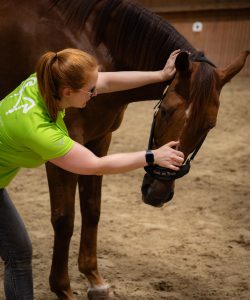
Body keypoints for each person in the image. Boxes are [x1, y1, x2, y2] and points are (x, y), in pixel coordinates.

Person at [0, 48, 184, 299]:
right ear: (68, 93)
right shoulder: (38, 129)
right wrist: (152, 155)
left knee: (19, 252)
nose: (96, 93)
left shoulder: (44, 80)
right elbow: (96, 165)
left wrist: (160, 75)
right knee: (18, 254)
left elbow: (107, 81)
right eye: (91, 90)